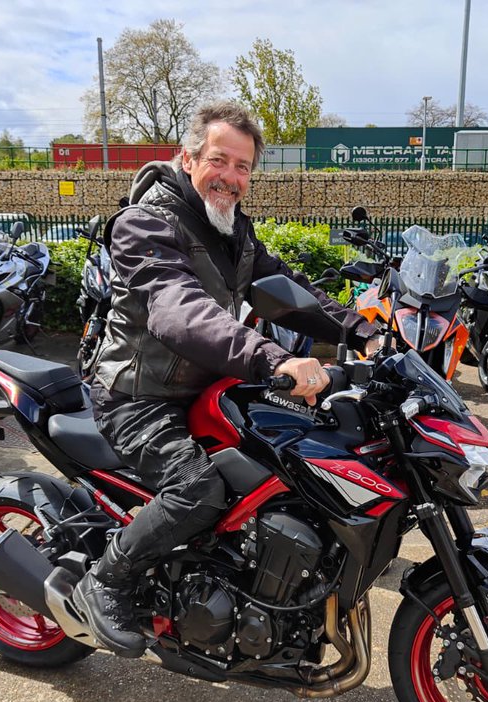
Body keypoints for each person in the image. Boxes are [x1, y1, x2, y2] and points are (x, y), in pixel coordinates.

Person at [72, 100, 379, 658]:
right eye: (220, 161)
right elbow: (179, 311)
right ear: (188, 158)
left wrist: (361, 331)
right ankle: (106, 581)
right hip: (140, 394)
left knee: (286, 467)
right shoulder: (145, 224)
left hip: (208, 384)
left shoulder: (233, 230)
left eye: (243, 168)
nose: (231, 178)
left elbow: (287, 290)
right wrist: (272, 360)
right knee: (199, 489)